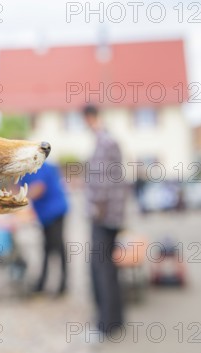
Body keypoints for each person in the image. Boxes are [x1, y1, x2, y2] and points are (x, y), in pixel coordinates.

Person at [83, 104, 127, 334]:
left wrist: (95, 212)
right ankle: (116, 320)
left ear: (90, 118)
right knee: (109, 269)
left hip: (103, 216)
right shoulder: (110, 140)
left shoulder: (103, 142)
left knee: (101, 270)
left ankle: (105, 325)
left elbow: (101, 182)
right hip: (113, 215)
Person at [21, 162, 69, 295]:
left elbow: (39, 188)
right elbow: (16, 188)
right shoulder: (22, 170)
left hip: (55, 211)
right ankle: (42, 283)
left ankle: (63, 284)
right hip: (45, 214)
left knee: (57, 248)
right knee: (47, 248)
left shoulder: (38, 166)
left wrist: (20, 198)